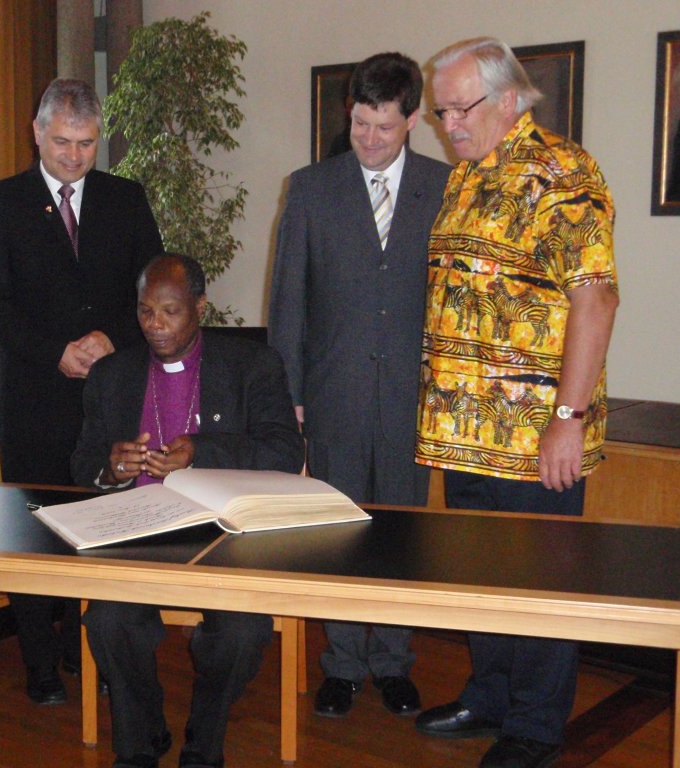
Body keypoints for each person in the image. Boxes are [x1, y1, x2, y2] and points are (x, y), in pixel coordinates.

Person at [413, 38, 618, 768]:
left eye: (457, 108)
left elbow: (595, 299)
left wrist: (568, 420)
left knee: (541, 583)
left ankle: (533, 728)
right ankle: (490, 696)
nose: (447, 124)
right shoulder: (465, 177)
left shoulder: (563, 172)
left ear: (507, 99)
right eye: (440, 111)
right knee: (481, 576)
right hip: (465, 433)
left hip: (535, 436)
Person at [0, 78, 163, 705]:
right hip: (35, 397)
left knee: (107, 527)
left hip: (111, 398)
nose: (76, 156)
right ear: (37, 132)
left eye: (87, 142)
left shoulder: (126, 198)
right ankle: (42, 662)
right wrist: (56, 350)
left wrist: (112, 335)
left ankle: (102, 651)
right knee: (32, 529)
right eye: (63, 142)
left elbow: (154, 285)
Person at [269, 52, 450, 719]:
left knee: (403, 533)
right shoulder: (311, 189)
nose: (369, 139)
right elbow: (288, 298)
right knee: (339, 532)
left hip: (413, 397)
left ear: (412, 122)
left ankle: (393, 662)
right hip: (332, 394)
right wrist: (287, 394)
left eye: (385, 127)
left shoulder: (444, 186)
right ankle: (342, 663)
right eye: (360, 123)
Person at [72, 254, 303, 768]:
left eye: (171, 311)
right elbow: (81, 462)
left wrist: (201, 450)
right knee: (106, 622)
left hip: (226, 532)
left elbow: (286, 452)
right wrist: (112, 470)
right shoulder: (112, 375)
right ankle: (140, 739)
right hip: (139, 531)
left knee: (243, 632)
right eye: (145, 311)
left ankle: (203, 740)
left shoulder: (253, 365)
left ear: (200, 307)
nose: (155, 325)